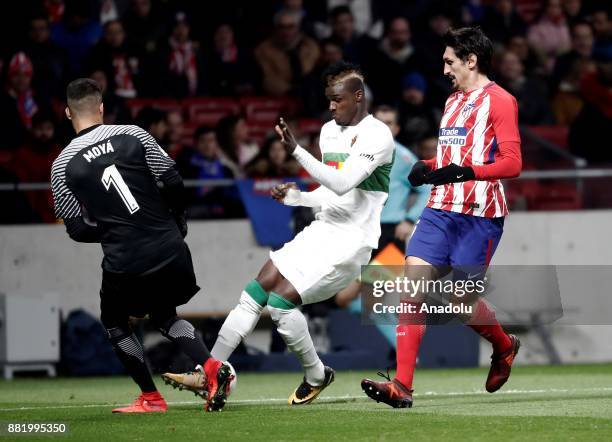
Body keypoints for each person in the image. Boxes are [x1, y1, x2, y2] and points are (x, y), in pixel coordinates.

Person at [163, 61, 395, 405]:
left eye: (338, 99)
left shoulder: (378, 135)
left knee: (281, 304)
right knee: (256, 290)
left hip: (352, 242)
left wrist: (296, 152)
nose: (331, 106)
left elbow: (344, 184)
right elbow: (330, 191)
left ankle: (316, 374)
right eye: (328, 99)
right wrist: (299, 197)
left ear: (357, 97)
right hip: (323, 229)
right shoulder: (329, 131)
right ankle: (210, 371)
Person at [361, 27, 522, 408]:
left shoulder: (502, 101)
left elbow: (512, 163)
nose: (444, 68)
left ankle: (504, 347)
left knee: (458, 302)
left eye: (450, 61)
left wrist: (465, 172)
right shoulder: (451, 101)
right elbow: (454, 159)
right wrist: (427, 167)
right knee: (411, 288)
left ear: (471, 60)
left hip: (480, 215)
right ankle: (402, 385)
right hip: (439, 210)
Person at [50, 78, 233, 413]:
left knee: (116, 323)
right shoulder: (134, 134)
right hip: (169, 244)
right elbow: (173, 180)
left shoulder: (62, 165)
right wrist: (176, 221)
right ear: (102, 108)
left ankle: (151, 397)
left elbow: (76, 228)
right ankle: (211, 368)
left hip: (126, 259)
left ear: (67, 113)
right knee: (165, 316)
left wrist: (114, 233)